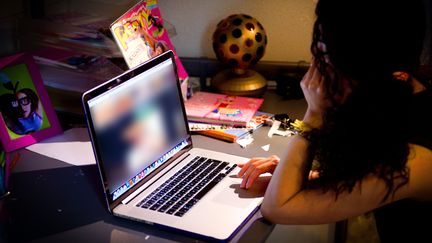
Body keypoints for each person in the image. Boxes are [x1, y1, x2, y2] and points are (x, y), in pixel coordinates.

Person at [237, 0, 432, 242]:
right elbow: (363, 174)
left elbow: (278, 208)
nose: (318, 71)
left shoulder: (415, 157)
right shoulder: (400, 97)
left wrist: (314, 115)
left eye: (328, 58)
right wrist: (295, 173)